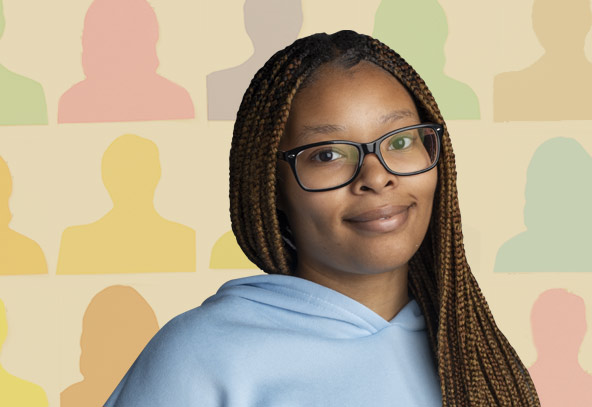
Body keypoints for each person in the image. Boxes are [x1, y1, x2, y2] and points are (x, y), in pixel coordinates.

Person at [104, 31, 540, 406]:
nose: (377, 176)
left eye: (401, 140)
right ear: (272, 187)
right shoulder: (200, 355)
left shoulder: (476, 356)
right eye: (327, 154)